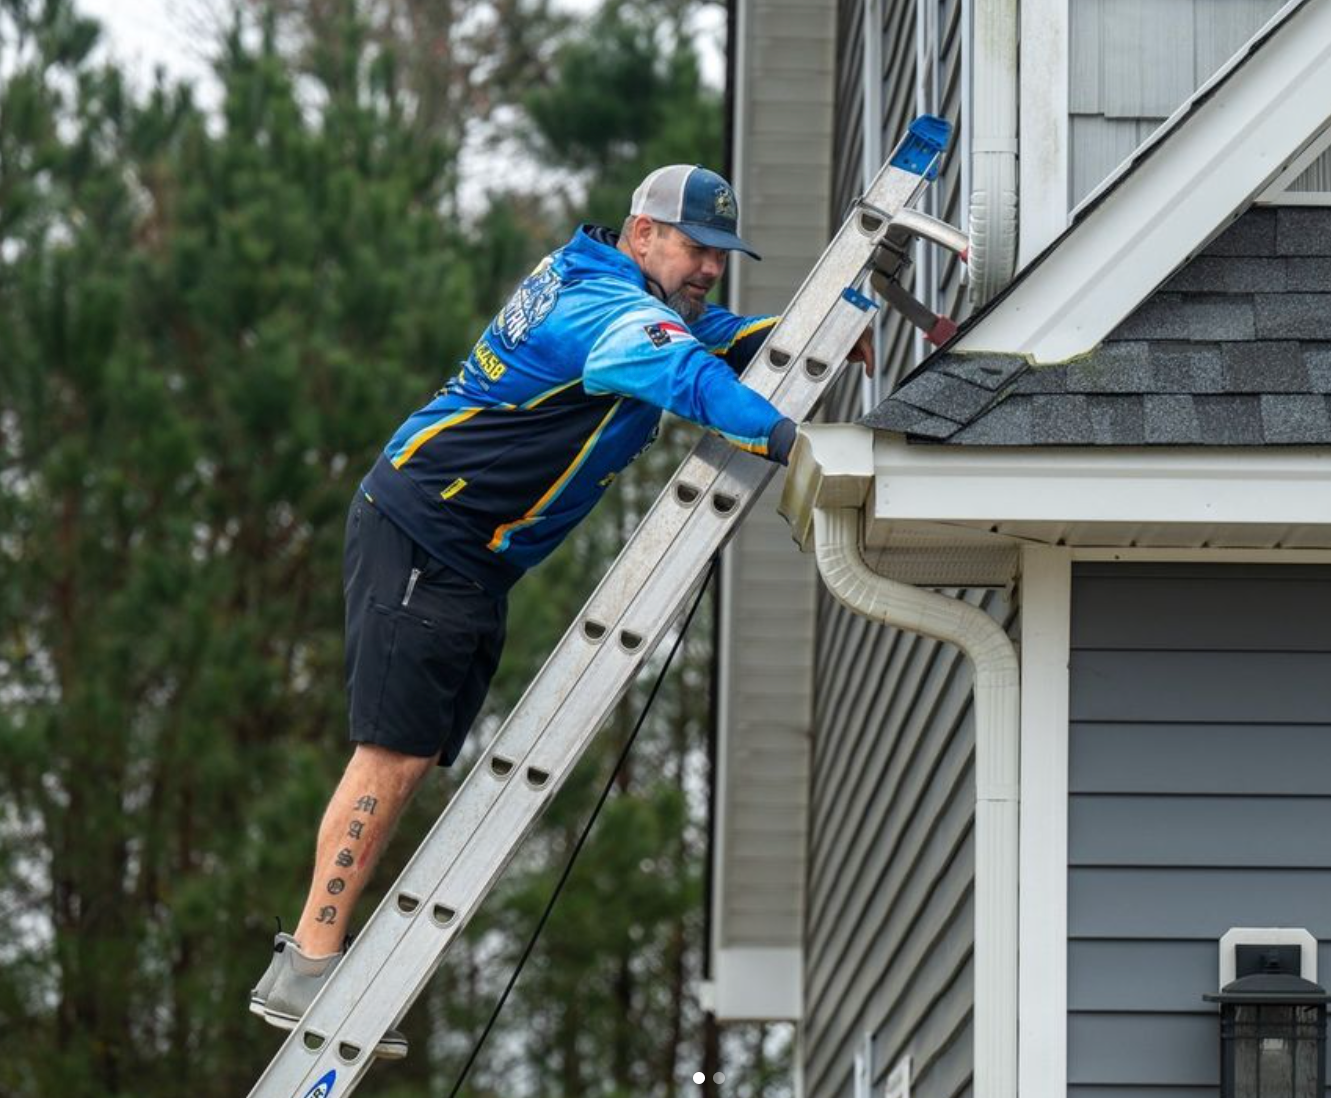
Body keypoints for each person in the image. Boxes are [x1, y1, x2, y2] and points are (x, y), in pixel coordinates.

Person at [247, 165, 873, 1056]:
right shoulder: (604, 312)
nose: (705, 270)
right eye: (694, 249)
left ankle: (314, 952)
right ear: (642, 234)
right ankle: (307, 963)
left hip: (465, 554)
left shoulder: (612, 284)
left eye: (718, 257)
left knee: (415, 753)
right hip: (429, 532)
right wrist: (793, 443)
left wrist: (813, 336)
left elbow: (714, 336)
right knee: (389, 754)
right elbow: (686, 374)